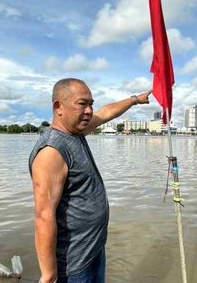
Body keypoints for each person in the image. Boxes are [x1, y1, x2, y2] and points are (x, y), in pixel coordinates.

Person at [29, 78, 152, 283]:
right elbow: (43, 216)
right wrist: (49, 275)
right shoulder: (51, 152)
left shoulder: (76, 132)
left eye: (91, 104)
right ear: (58, 107)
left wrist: (135, 100)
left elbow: (105, 113)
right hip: (74, 265)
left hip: (93, 250)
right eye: (82, 104)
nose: (89, 110)